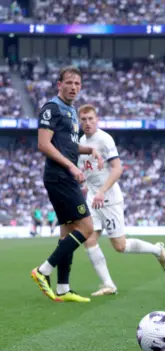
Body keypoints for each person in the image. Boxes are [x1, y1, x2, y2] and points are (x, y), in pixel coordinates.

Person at [77, 104, 165, 296]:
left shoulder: (104, 139)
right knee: (89, 239)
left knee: (120, 246)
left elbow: (118, 168)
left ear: (97, 120)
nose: (87, 123)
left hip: (108, 198)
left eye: (91, 119)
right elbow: (88, 174)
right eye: (84, 119)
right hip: (92, 199)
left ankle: (156, 249)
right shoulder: (81, 142)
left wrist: (102, 192)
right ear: (80, 122)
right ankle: (108, 285)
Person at [30, 66, 102, 303]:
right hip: (59, 176)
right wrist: (71, 166)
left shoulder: (70, 111)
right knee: (87, 228)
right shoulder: (52, 108)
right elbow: (44, 144)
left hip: (65, 176)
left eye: (77, 84)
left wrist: (89, 149)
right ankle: (43, 270)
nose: (73, 87)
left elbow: (68, 146)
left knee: (68, 232)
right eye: (69, 83)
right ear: (59, 84)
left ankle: (62, 288)